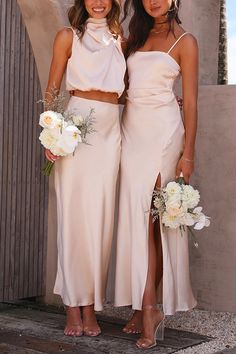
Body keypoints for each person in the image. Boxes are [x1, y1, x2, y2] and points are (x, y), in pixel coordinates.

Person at [115, 0, 198, 349]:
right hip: (132, 131)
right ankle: (144, 305)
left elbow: (191, 102)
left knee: (155, 221)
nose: (154, 0)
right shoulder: (133, 37)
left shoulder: (186, 41)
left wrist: (188, 154)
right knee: (141, 222)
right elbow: (119, 89)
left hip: (164, 134)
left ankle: (148, 309)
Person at [45, 0, 126, 337]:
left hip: (110, 133)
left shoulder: (121, 38)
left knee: (101, 221)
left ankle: (90, 305)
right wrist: (51, 134)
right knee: (74, 218)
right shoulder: (67, 36)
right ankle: (72, 306)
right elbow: (52, 90)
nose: (98, 2)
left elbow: (129, 90)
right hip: (75, 130)